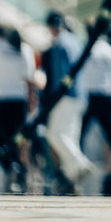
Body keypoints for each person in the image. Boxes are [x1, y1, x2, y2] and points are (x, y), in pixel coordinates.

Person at [43, 11, 94, 195]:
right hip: (81, 95)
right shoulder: (75, 42)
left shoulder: (59, 44)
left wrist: (52, 97)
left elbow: (60, 75)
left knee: (54, 134)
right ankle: (72, 180)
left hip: (65, 96)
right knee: (70, 137)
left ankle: (80, 164)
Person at [0, 24, 38, 194]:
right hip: (18, 99)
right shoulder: (26, 49)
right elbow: (29, 79)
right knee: (18, 136)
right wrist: (31, 99)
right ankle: (16, 164)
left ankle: (10, 164)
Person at [79, 23, 111, 195]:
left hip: (91, 96)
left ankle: (75, 166)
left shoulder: (89, 49)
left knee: (79, 133)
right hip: (109, 97)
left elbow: (82, 74)